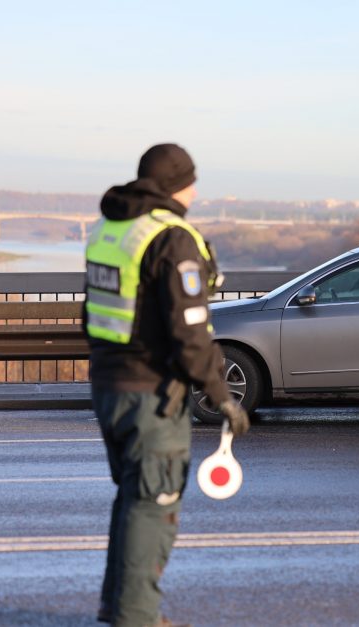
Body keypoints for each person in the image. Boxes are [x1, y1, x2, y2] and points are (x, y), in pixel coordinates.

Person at [84, 143, 250, 627]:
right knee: (153, 503)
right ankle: (136, 617)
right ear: (175, 184)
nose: (196, 191)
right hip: (151, 393)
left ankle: (118, 604)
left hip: (109, 384)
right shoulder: (172, 237)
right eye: (191, 181)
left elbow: (92, 314)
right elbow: (190, 331)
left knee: (133, 498)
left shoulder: (110, 230)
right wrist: (222, 396)